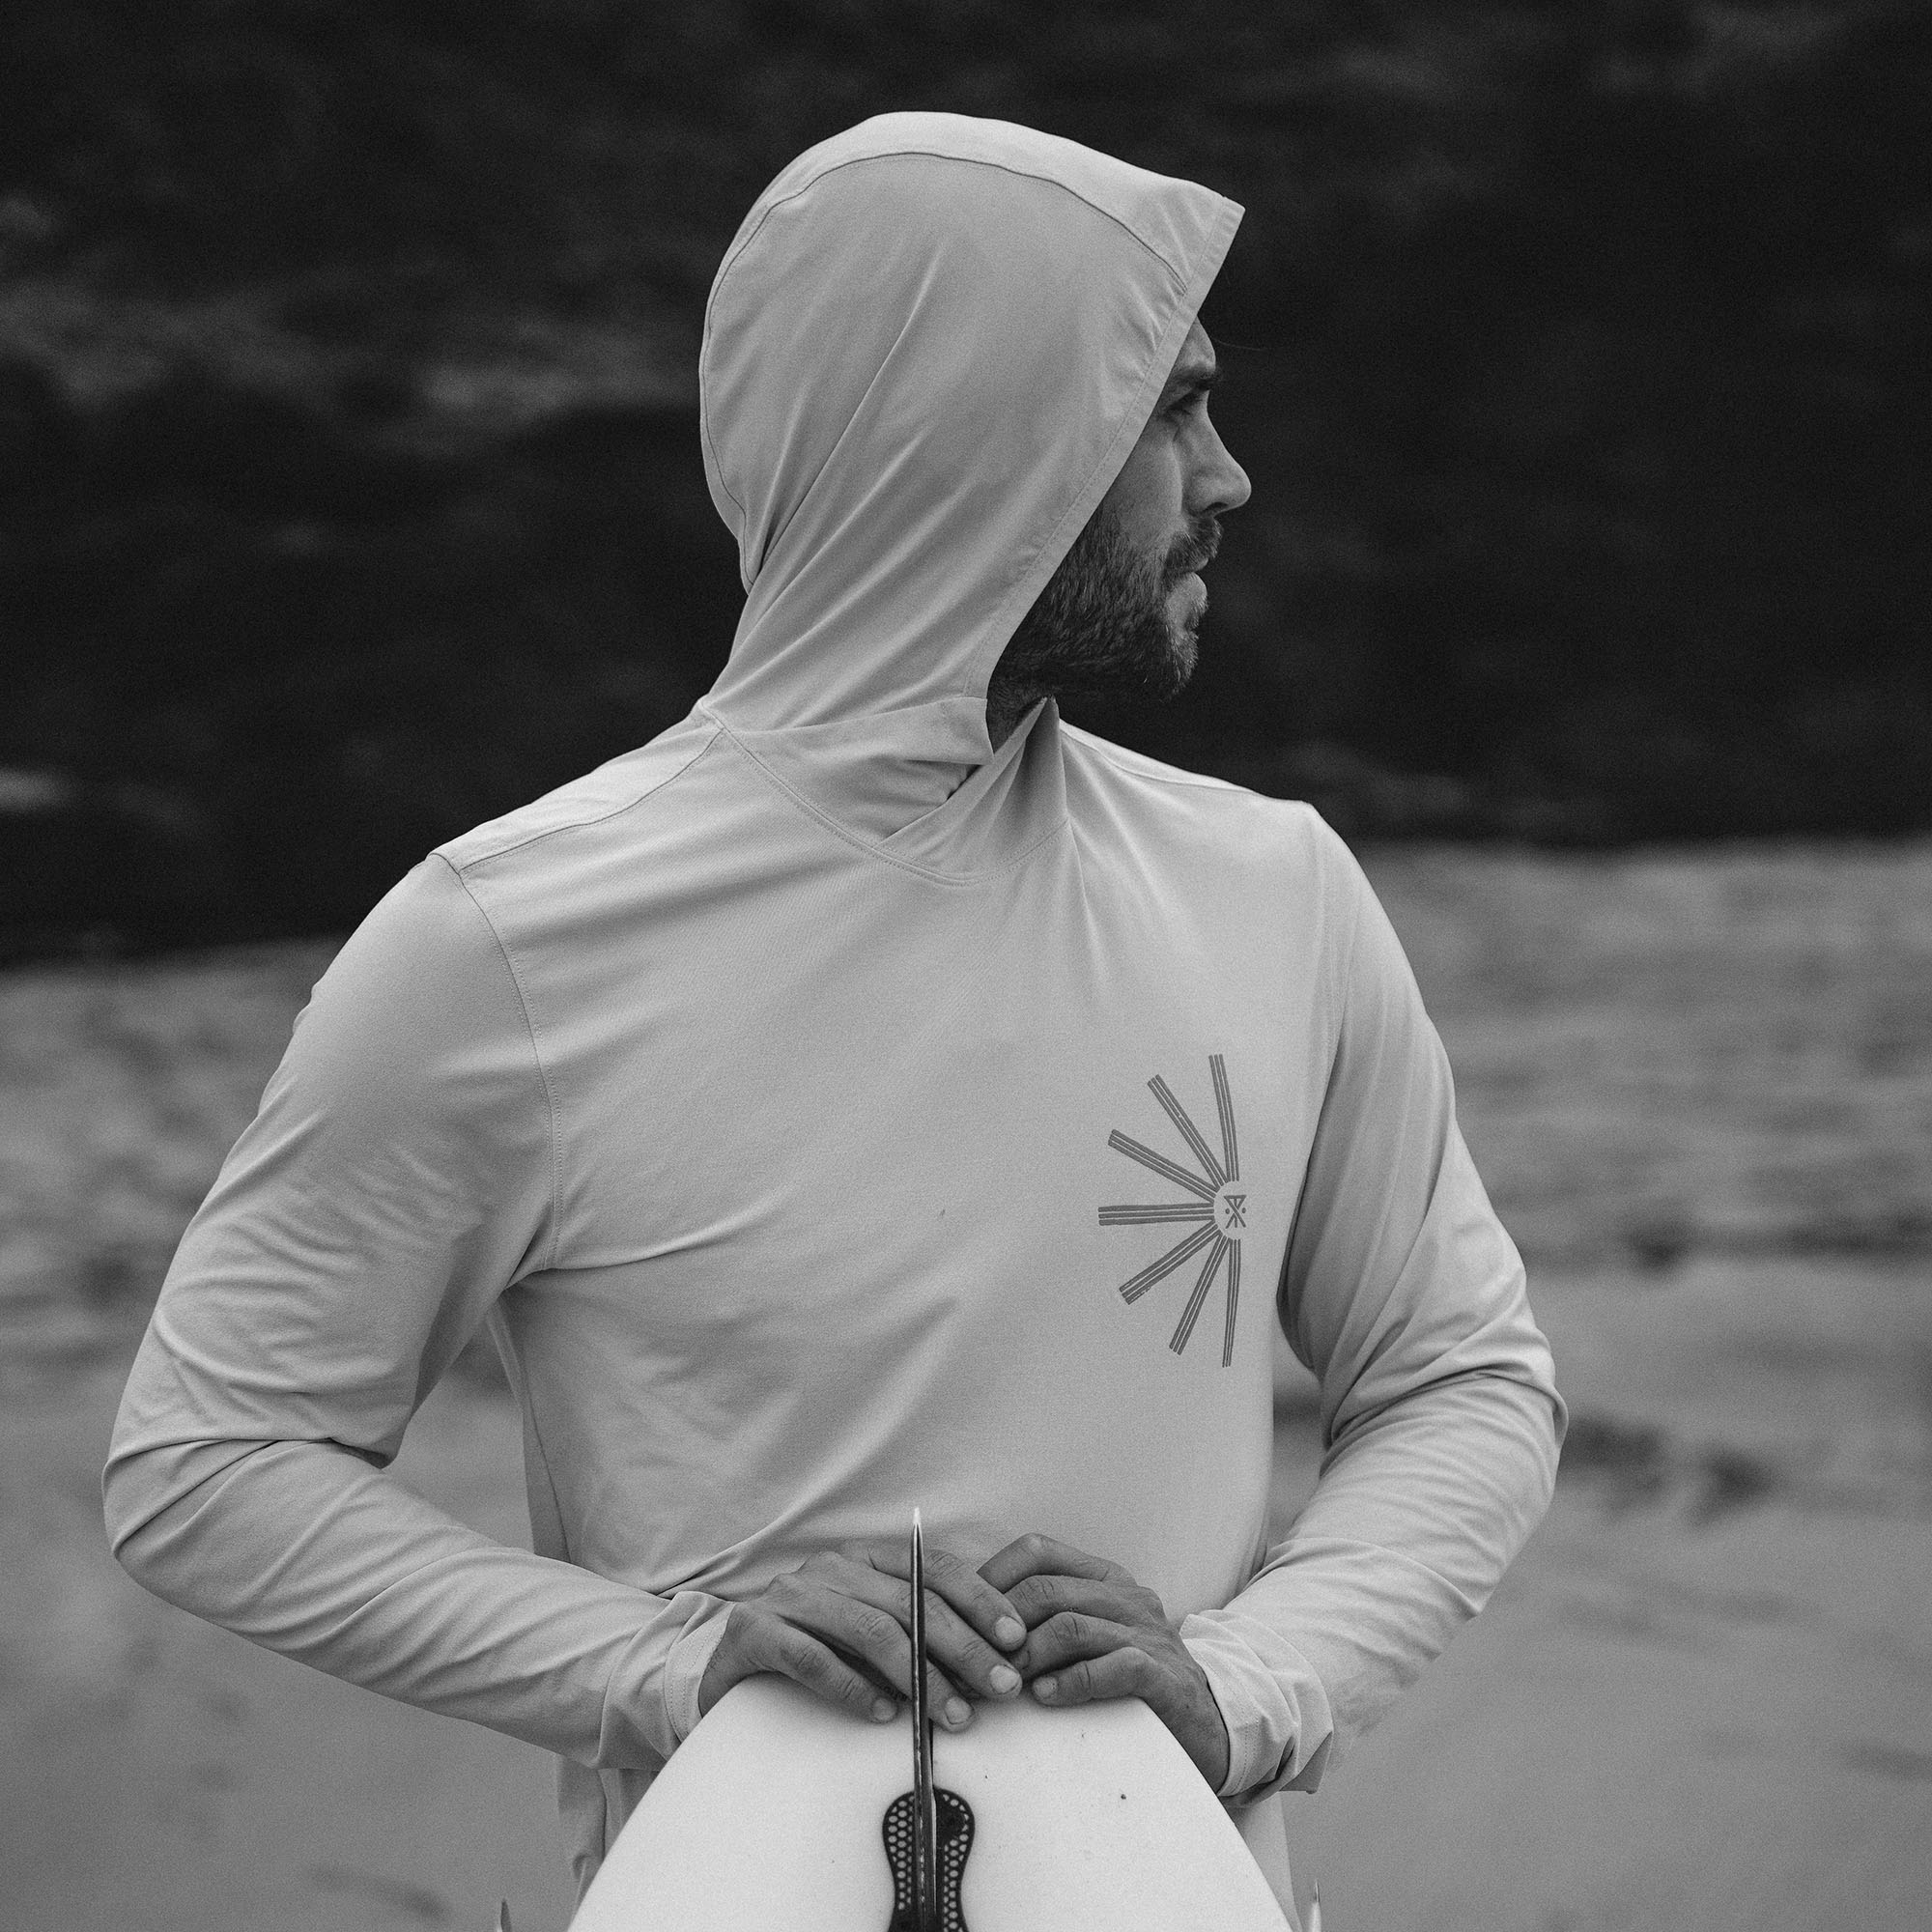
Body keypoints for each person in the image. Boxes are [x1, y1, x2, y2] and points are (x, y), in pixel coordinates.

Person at [104, 113, 1563, 1921]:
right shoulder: (511, 936)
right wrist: (664, 1661)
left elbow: (1460, 1379)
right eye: (1169, 408)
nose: (1233, 477)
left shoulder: (1273, 889)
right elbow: (206, 1465)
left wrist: (1255, 1684)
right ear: (987, 441)